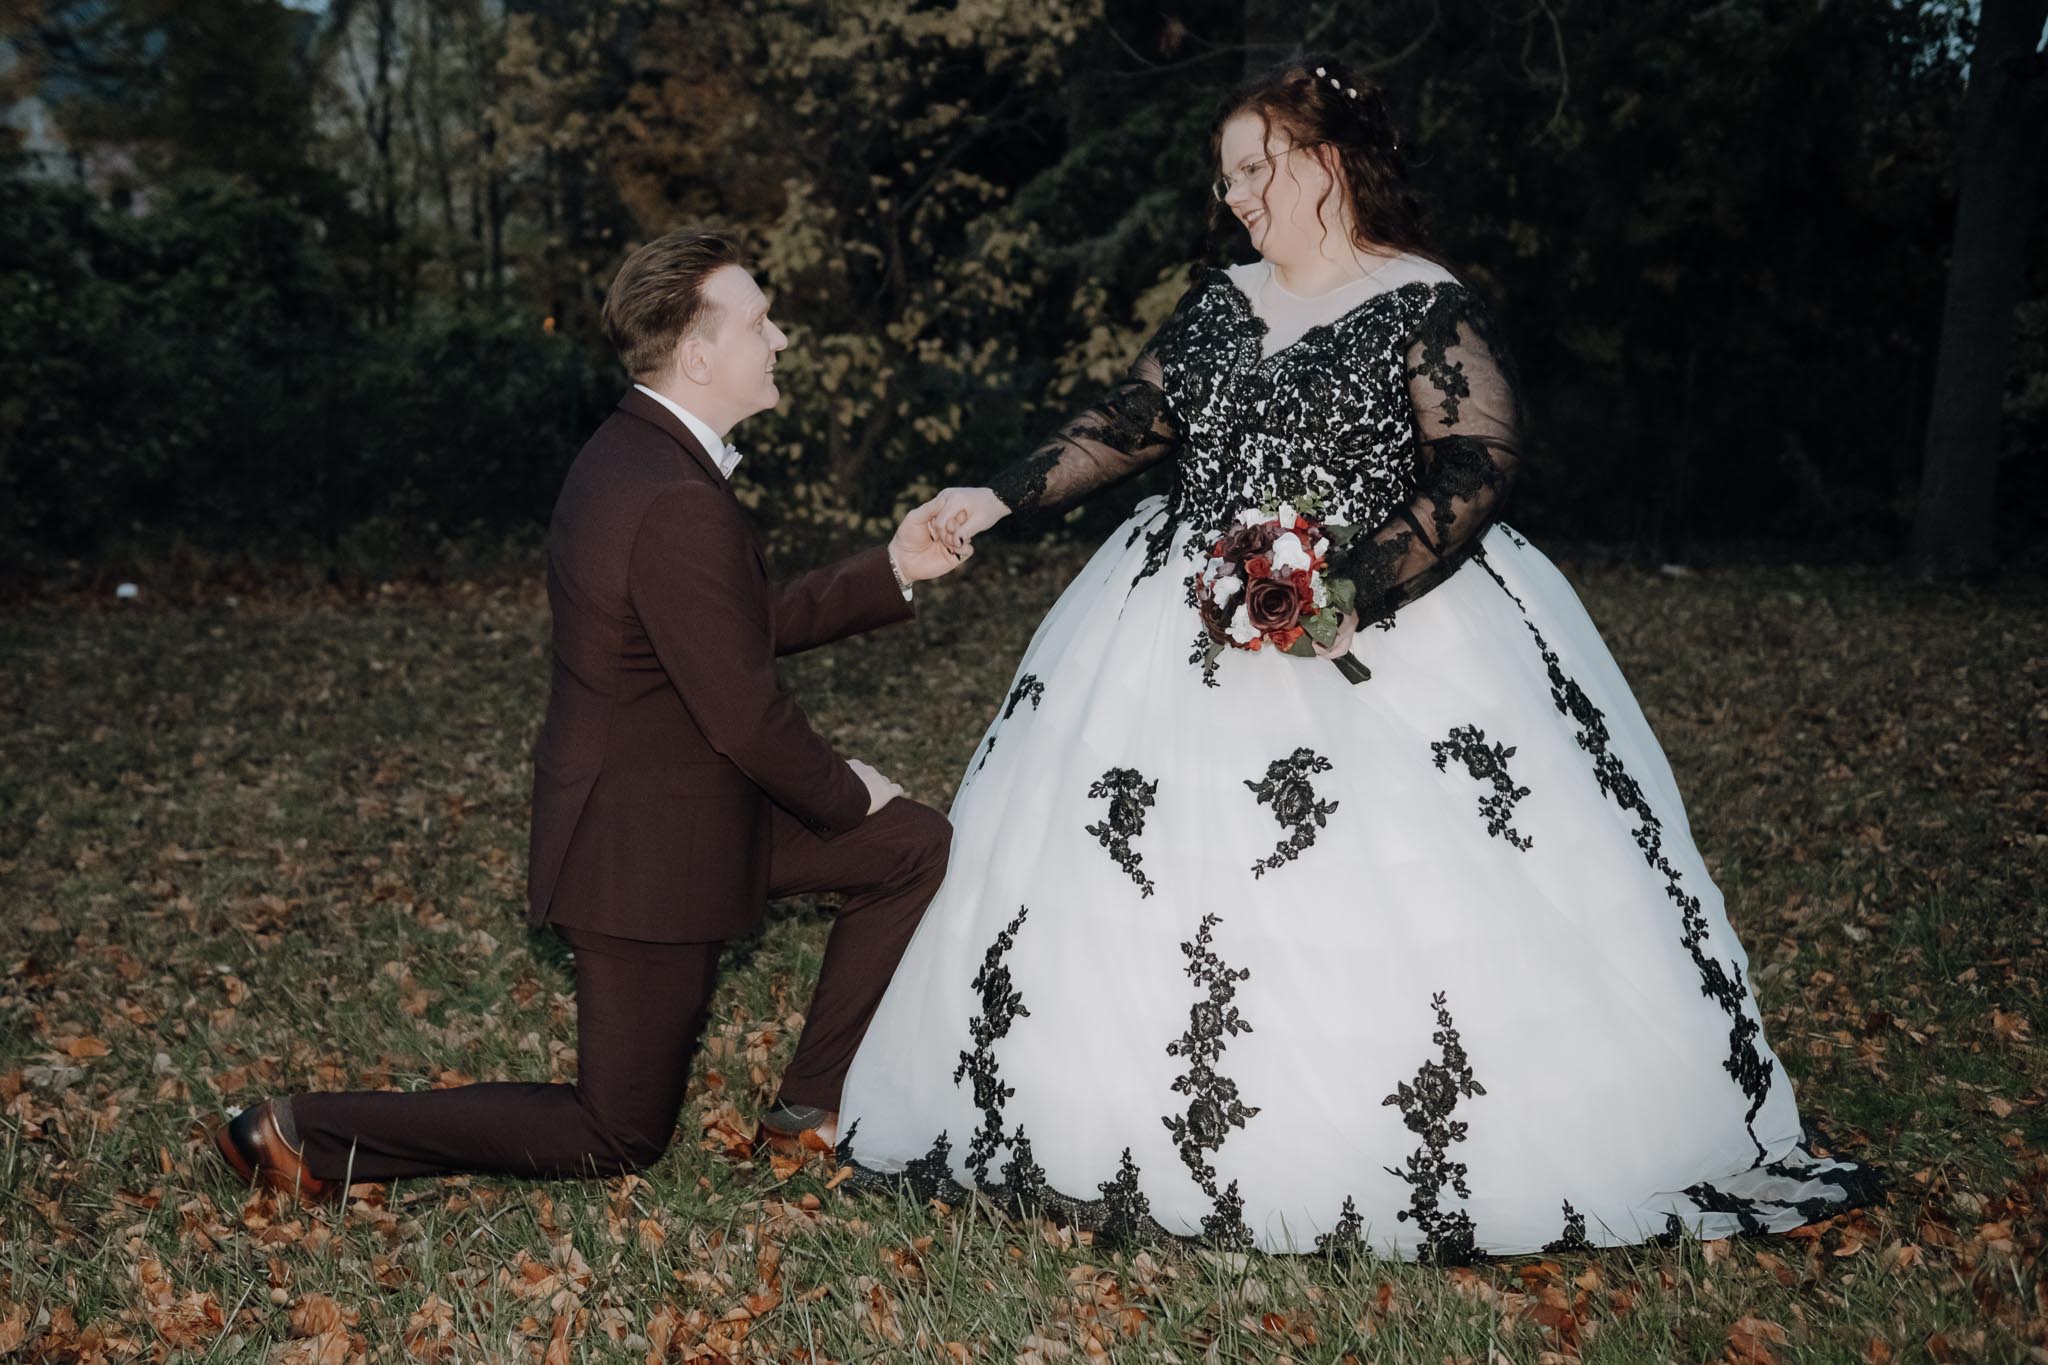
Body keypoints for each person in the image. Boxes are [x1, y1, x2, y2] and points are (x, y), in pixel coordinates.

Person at [833, 57, 1878, 1258]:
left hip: (1382, 620)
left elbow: (1475, 464)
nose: (1234, 196)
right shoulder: (1219, 302)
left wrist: (1349, 589)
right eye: (1225, 179)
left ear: (1324, 160)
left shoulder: (1423, 301)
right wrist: (994, 496)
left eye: (1252, 169)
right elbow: (1129, 424)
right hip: (1172, 620)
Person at [206, 230, 969, 1197]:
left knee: (909, 846)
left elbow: (725, 628)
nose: (781, 338)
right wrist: (846, 794)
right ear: (698, 356)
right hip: (642, 849)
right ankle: (304, 1132)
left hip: (681, 804)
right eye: (760, 322)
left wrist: (892, 566)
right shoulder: (672, 494)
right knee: (616, 1129)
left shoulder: (633, 453)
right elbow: (745, 717)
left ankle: (808, 1109)